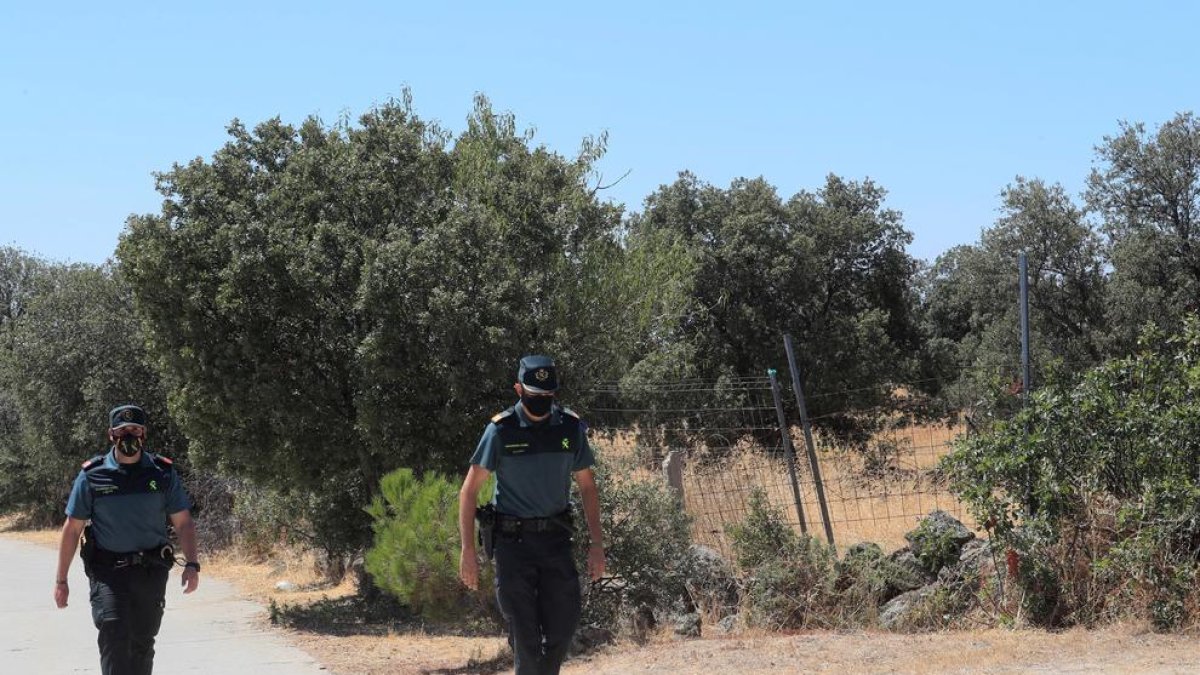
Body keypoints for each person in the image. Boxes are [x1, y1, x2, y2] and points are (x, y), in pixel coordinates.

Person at [458, 355, 605, 675]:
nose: (541, 401)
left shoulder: (569, 427)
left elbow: (587, 487)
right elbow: (469, 491)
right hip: (514, 546)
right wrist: (468, 550)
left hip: (556, 542)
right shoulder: (501, 431)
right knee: (525, 638)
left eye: (547, 395)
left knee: (563, 629)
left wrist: (596, 544)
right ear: (518, 389)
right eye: (534, 394)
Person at [53, 403, 199, 675]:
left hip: (151, 571)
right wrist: (61, 580)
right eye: (122, 430)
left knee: (142, 643)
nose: (128, 435)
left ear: (143, 433)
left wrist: (192, 565)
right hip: (108, 572)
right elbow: (72, 529)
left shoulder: (162, 473)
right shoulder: (92, 475)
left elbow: (184, 522)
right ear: (111, 435)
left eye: (134, 429)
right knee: (114, 637)